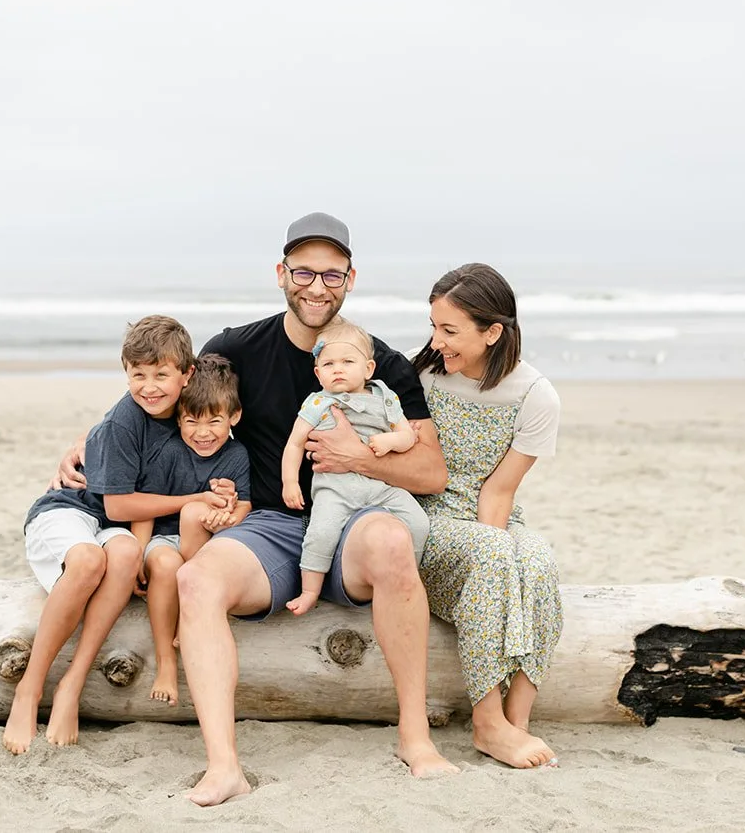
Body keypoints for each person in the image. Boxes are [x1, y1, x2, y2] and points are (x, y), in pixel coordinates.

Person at [53, 212, 458, 804]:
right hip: (265, 525)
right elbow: (157, 398)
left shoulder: (381, 364)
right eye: (303, 272)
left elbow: (431, 471)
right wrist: (89, 443)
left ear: (350, 279)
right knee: (195, 578)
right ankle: (224, 766)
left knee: (394, 541)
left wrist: (358, 458)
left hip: (353, 521)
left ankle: (415, 736)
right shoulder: (237, 349)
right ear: (280, 274)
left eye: (332, 274)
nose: (316, 286)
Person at [4, 315, 232, 754]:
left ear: (187, 375)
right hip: (69, 509)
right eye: (137, 375)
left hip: (113, 529)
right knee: (90, 560)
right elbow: (119, 505)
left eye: (161, 375)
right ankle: (29, 691)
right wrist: (192, 498)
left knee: (126, 558)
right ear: (125, 373)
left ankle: (72, 683)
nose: (149, 386)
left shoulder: (191, 416)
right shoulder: (126, 418)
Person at [411, 263, 563, 770]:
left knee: (537, 558)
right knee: (497, 553)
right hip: (427, 519)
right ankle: (485, 720)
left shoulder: (535, 395)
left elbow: (499, 491)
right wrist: (492, 558)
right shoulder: (424, 378)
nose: (436, 342)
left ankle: (516, 721)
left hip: (488, 516)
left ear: (493, 332)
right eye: (433, 326)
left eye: (449, 331)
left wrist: (500, 567)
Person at [113, 354, 253, 706]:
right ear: (179, 418)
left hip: (205, 541)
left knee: (195, 514)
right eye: (191, 421)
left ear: (234, 417)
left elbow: (245, 504)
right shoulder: (170, 453)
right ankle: (165, 660)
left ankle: (189, 618)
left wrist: (230, 517)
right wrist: (135, 560)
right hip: (162, 538)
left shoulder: (237, 455)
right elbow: (145, 507)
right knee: (165, 564)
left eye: (215, 422)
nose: (202, 433)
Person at [280, 319, 430, 615]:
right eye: (329, 363)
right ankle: (310, 589)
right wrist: (290, 482)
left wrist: (390, 441)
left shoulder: (385, 396)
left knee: (418, 522)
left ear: (368, 369)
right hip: (335, 488)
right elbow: (295, 444)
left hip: (380, 486)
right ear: (318, 372)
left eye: (348, 361)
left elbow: (407, 435)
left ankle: (408, 576)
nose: (338, 369)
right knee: (321, 532)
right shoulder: (317, 403)